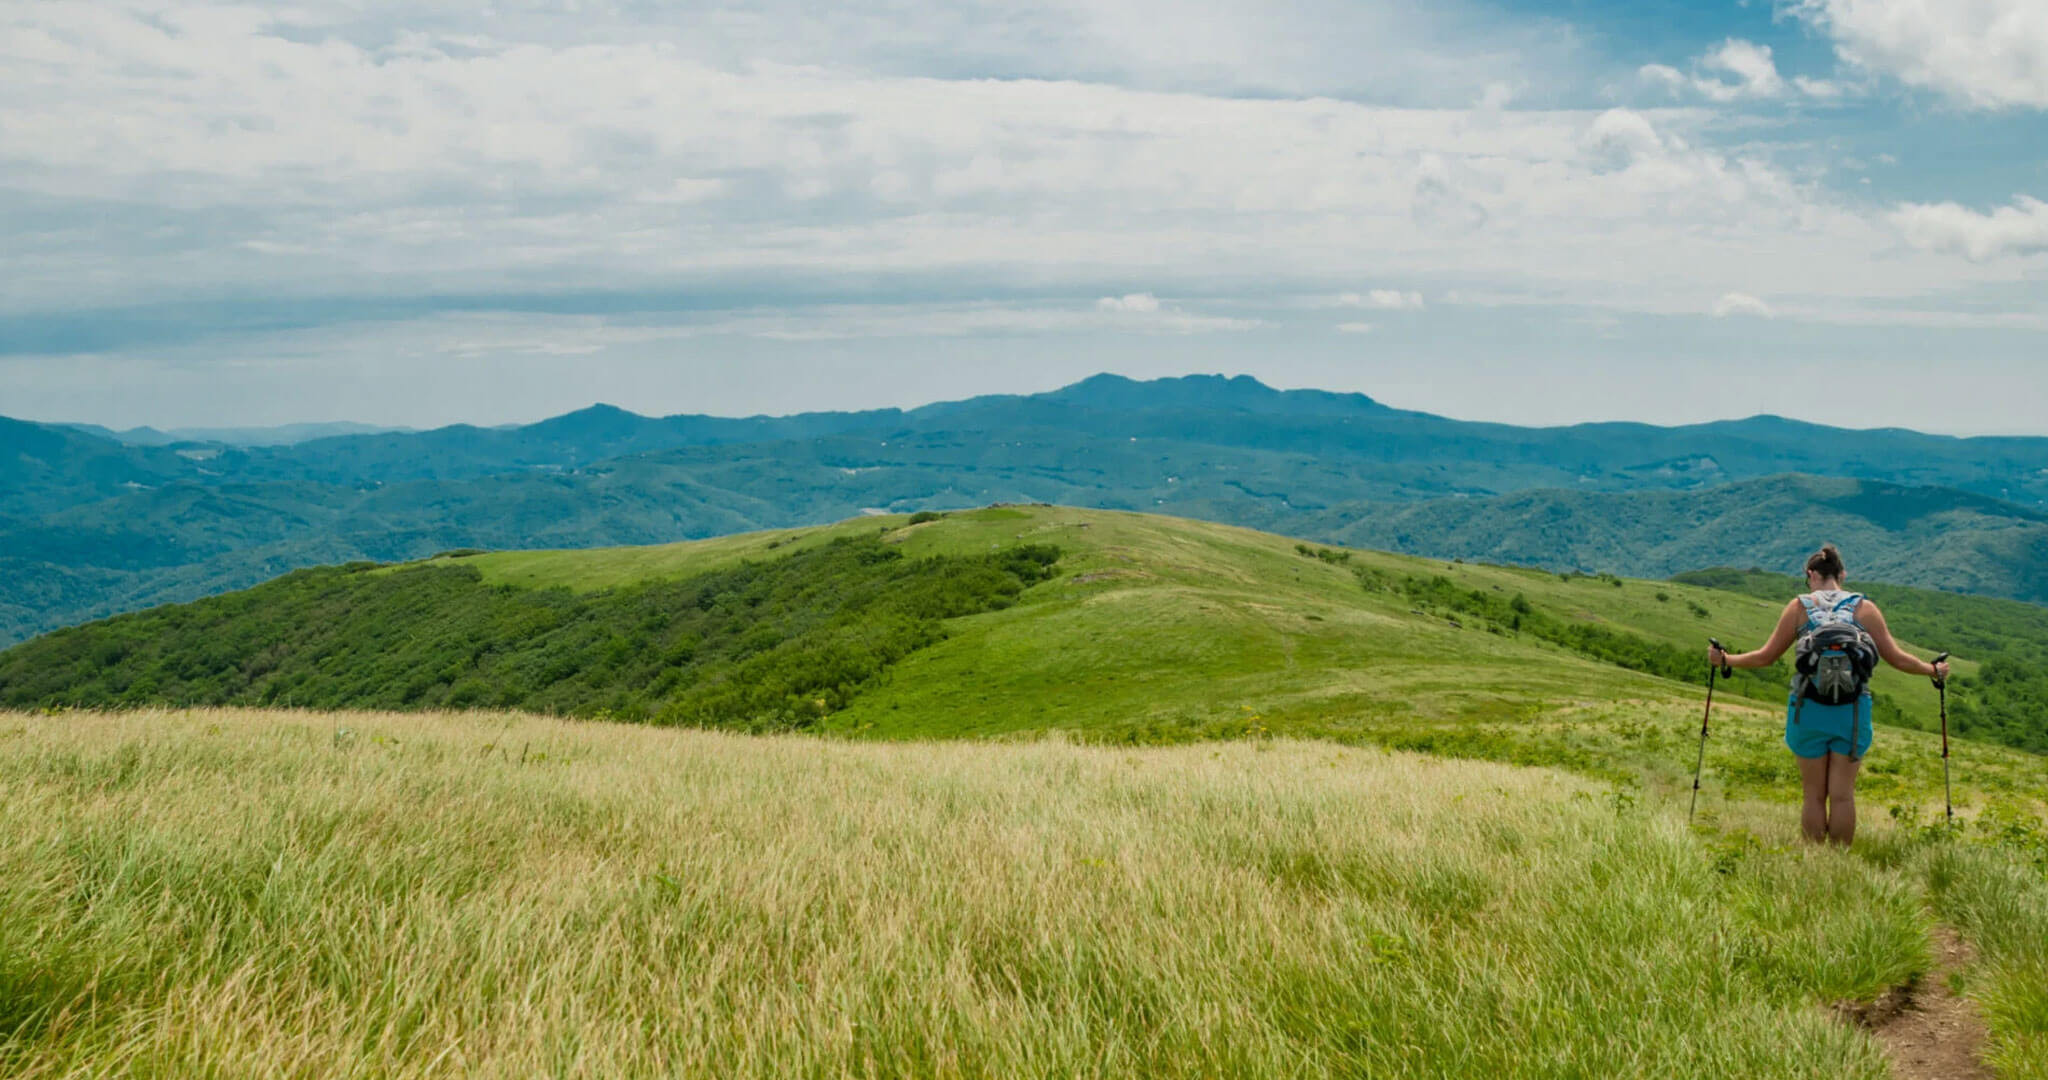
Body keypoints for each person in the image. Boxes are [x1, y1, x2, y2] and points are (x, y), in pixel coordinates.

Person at [1708, 545, 1949, 846]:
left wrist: (1726, 660)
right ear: (1842, 575)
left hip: (1807, 708)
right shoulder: (1865, 609)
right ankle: (1839, 863)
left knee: (1813, 795)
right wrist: (1932, 670)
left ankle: (1815, 863)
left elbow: (1765, 657)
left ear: (1811, 575)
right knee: (1843, 796)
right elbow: (1897, 658)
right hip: (1852, 712)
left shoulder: (1799, 608)